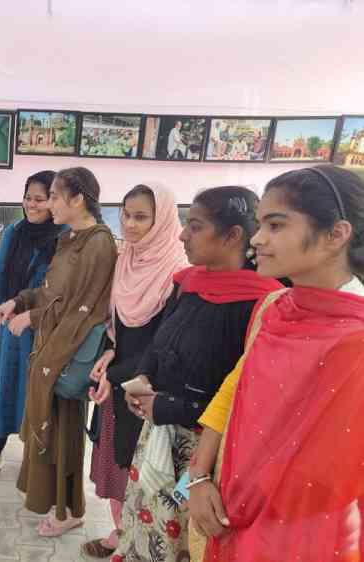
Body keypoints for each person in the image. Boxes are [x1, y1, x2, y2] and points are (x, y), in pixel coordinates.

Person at [188, 165, 364, 562]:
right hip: (233, 508)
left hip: (310, 536)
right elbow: (234, 390)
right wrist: (198, 476)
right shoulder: (275, 307)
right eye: (260, 224)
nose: (257, 239)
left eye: (276, 225)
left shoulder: (356, 337)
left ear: (336, 234)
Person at [111, 186, 283, 562]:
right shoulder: (188, 283)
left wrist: (168, 406)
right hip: (158, 439)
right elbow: (160, 341)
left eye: (196, 226)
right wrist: (142, 375)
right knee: (143, 530)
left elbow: (240, 397)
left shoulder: (264, 304)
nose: (182, 234)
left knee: (182, 543)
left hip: (205, 456)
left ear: (233, 236)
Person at [0, 167, 118, 537]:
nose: (48, 205)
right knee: (50, 429)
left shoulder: (98, 243)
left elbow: (85, 307)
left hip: (68, 353)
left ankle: (69, 511)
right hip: (51, 348)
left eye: (55, 197)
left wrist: (32, 317)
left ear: (77, 199)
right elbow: (50, 292)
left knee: (65, 435)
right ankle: (57, 504)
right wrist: (18, 302)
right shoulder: (72, 239)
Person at [82, 184, 189, 558]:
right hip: (117, 382)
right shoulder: (126, 258)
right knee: (114, 464)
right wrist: (110, 354)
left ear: (162, 219)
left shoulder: (177, 272)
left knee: (140, 473)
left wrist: (116, 375)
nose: (129, 223)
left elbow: (161, 346)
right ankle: (119, 535)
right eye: (125, 214)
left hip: (147, 392)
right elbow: (121, 327)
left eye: (141, 216)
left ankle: (133, 544)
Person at [0, 170, 64, 484]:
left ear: (54, 201)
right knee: (4, 392)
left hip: (45, 331)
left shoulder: (65, 237)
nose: (32, 205)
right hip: (12, 328)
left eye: (40, 199)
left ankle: (33, 464)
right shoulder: (14, 231)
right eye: (27, 198)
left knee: (36, 399)